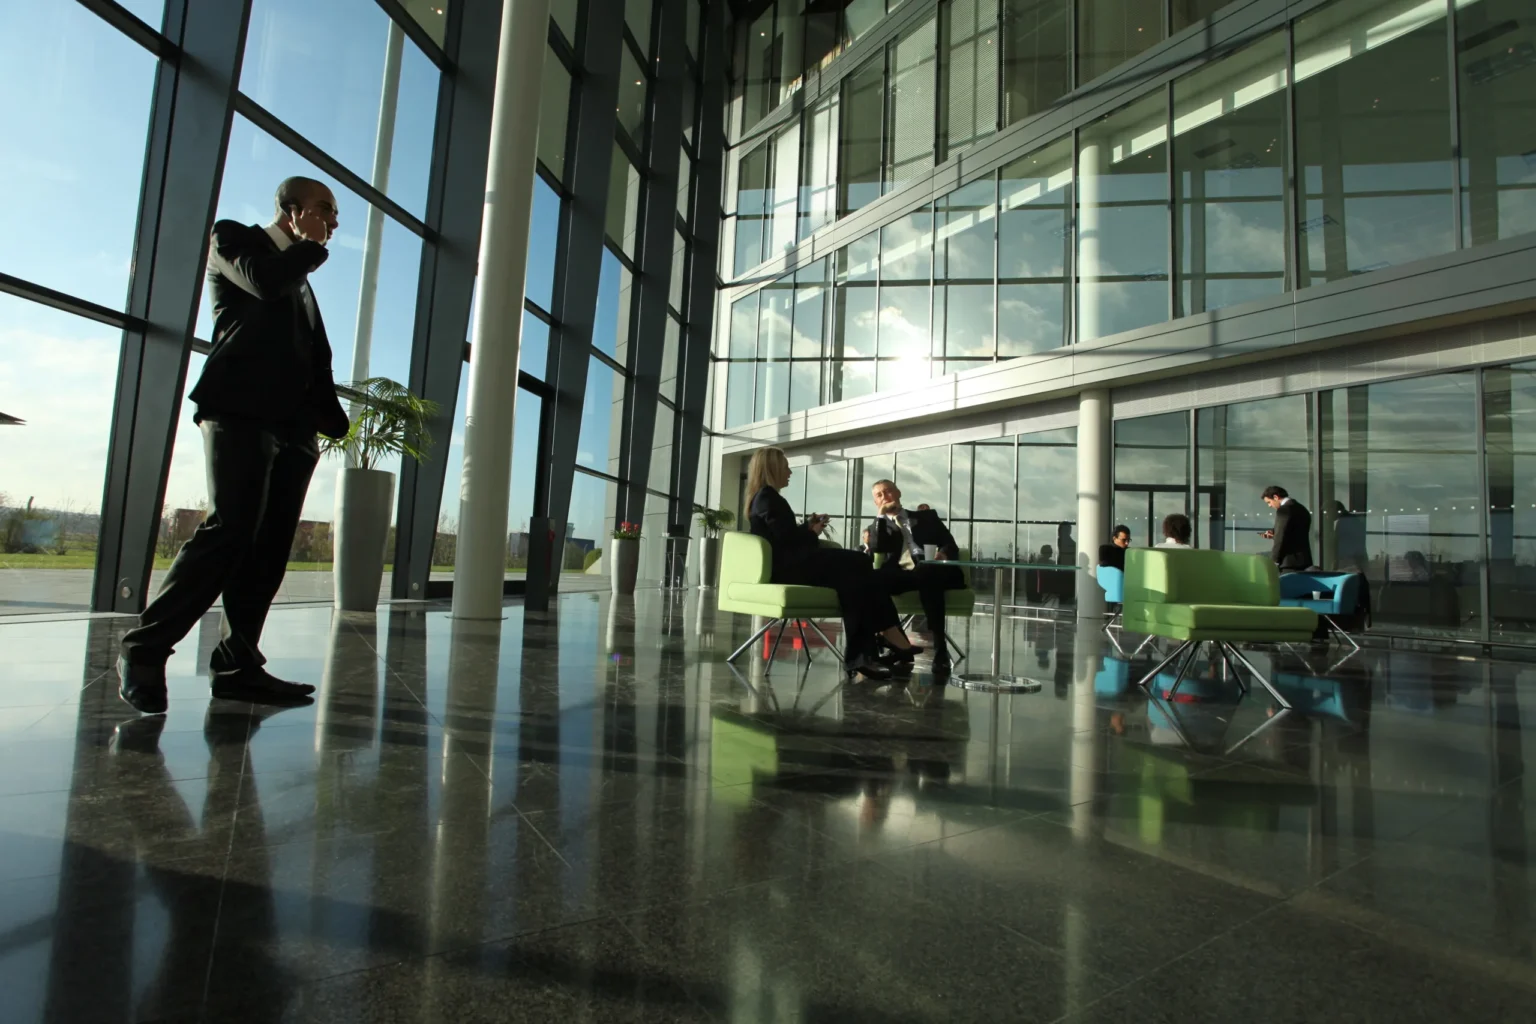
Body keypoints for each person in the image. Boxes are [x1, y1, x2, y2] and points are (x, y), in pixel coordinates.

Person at [117, 177, 351, 714]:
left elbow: (313, 354)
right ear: (290, 210)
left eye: (334, 216)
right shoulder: (234, 239)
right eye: (323, 210)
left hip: (294, 429)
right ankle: (145, 649)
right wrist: (309, 248)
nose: (332, 223)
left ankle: (238, 662)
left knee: (268, 548)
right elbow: (264, 284)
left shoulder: (304, 279)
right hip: (239, 410)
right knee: (232, 528)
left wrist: (323, 421)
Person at [747, 447, 912, 680]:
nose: (790, 471)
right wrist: (811, 531)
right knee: (860, 562)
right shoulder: (767, 498)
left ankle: (865, 655)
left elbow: (783, 535)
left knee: (853, 582)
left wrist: (807, 526)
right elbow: (787, 541)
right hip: (791, 568)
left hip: (793, 564)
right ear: (772, 468)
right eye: (785, 466)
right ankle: (883, 636)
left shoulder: (765, 498)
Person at [860, 478, 965, 671]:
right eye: (879, 495)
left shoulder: (927, 517)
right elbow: (877, 547)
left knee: (928, 574)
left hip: (934, 570)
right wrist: (881, 515)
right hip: (904, 574)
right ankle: (900, 644)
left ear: (898, 493)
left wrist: (942, 553)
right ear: (875, 502)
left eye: (888, 491)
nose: (885, 497)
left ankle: (940, 649)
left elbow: (950, 544)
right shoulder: (879, 526)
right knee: (873, 580)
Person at [1261, 485, 1314, 571]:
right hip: (1304, 560)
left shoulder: (1284, 510)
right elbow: (1294, 533)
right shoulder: (1301, 508)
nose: (1269, 506)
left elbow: (1281, 537)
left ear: (1275, 497)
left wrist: (1274, 560)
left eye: (1269, 502)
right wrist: (1274, 534)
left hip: (1288, 562)